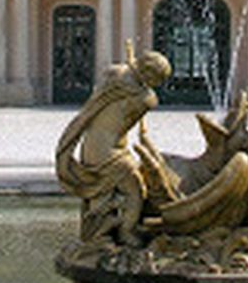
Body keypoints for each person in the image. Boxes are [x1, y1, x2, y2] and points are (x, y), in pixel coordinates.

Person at [54, 45, 173, 246]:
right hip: (107, 152)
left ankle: (104, 226)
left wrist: (128, 69)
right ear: (148, 73)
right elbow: (148, 100)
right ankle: (125, 231)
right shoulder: (145, 99)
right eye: (157, 80)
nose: (157, 85)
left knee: (117, 187)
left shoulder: (116, 75)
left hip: (91, 146)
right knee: (135, 187)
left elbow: (110, 72)